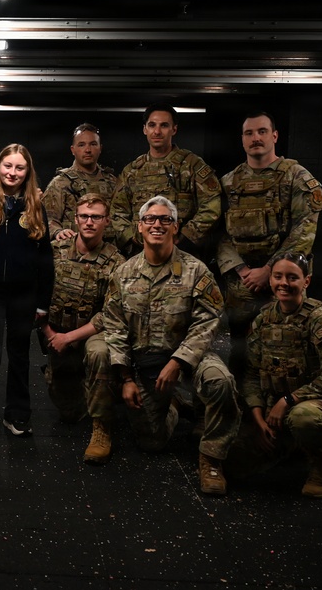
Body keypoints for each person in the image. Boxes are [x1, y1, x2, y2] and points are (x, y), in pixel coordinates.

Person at [103, 195, 239, 494]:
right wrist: (126, 378)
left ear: (176, 228)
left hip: (191, 356)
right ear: (139, 227)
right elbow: (114, 326)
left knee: (220, 381)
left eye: (166, 219)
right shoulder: (123, 274)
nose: (157, 224)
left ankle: (212, 459)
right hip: (146, 360)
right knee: (151, 442)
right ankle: (175, 404)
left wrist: (179, 361)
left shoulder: (197, 271)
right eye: (150, 219)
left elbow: (209, 321)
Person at [225, 252, 322, 498]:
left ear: (306, 281)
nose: (284, 283)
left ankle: (321, 461)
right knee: (233, 460)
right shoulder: (265, 319)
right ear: (271, 280)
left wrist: (289, 401)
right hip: (275, 409)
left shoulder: (320, 320)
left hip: (320, 404)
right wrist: (258, 417)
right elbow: (252, 373)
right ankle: (290, 446)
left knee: (305, 419)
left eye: (292, 277)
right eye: (278, 276)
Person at [216, 112, 322, 378]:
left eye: (262, 131)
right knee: (240, 346)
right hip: (242, 282)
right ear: (242, 139)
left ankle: (283, 407)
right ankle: (243, 406)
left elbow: (304, 230)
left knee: (287, 344)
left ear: (274, 136)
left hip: (284, 280)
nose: (256, 138)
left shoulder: (296, 177)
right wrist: (241, 270)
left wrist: (269, 271)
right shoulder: (228, 183)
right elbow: (218, 232)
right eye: (249, 133)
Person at [0, 144, 54, 445]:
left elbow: (45, 258)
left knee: (19, 357)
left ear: (27, 172)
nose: (12, 173)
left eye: (19, 168)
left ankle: (16, 414)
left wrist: (43, 304)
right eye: (7, 166)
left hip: (24, 294)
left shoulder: (35, 207)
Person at [42, 194, 124, 463]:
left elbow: (112, 312)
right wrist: (50, 334)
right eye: (84, 216)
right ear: (75, 219)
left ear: (106, 221)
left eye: (96, 217)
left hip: (92, 334)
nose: (90, 222)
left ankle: (102, 429)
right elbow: (36, 294)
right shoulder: (55, 251)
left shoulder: (116, 262)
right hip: (54, 332)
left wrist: (70, 337)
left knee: (100, 353)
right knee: (69, 413)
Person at [110, 104, 221, 257]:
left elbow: (212, 205)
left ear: (174, 129)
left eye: (164, 125)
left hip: (183, 253)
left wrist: (185, 236)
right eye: (152, 125)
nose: (157, 131)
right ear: (145, 129)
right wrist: (135, 237)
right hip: (140, 255)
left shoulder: (191, 165)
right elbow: (117, 211)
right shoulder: (132, 171)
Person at [42, 123, 118, 243]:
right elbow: (47, 219)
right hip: (73, 252)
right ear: (73, 150)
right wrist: (57, 232)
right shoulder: (60, 183)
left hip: (108, 251)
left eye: (93, 144)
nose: (88, 150)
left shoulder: (112, 182)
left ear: (100, 148)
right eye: (81, 145)